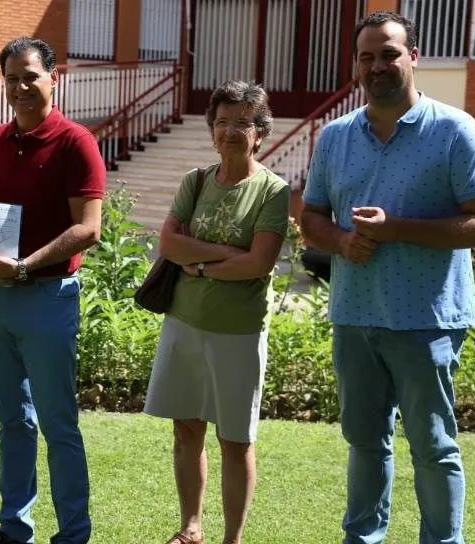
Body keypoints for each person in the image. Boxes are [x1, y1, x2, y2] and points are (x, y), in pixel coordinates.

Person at [300, 11, 475, 544]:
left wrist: (396, 229)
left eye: (389, 53)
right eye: (367, 56)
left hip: (426, 319)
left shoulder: (454, 129)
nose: (377, 65)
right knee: (365, 440)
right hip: (355, 314)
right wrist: (341, 240)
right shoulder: (335, 137)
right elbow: (311, 219)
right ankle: (363, 538)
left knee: (433, 445)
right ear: (356, 67)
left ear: (413, 57)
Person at [0, 37, 105, 544]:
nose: (21, 87)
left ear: (54, 76)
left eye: (30, 76)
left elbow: (88, 228)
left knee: (58, 424)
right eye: (11, 78)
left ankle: (73, 533)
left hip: (48, 298)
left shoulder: (76, 142)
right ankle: (13, 526)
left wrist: (23, 267)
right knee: (12, 421)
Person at [142, 81, 290, 544]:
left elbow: (259, 263)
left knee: (235, 440)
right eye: (223, 121)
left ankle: (232, 539)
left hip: (238, 334)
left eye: (243, 122)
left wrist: (200, 263)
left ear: (260, 132)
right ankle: (190, 527)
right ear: (211, 130)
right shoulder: (196, 180)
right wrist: (227, 253)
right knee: (186, 429)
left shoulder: (273, 191)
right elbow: (167, 243)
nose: (230, 131)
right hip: (183, 324)